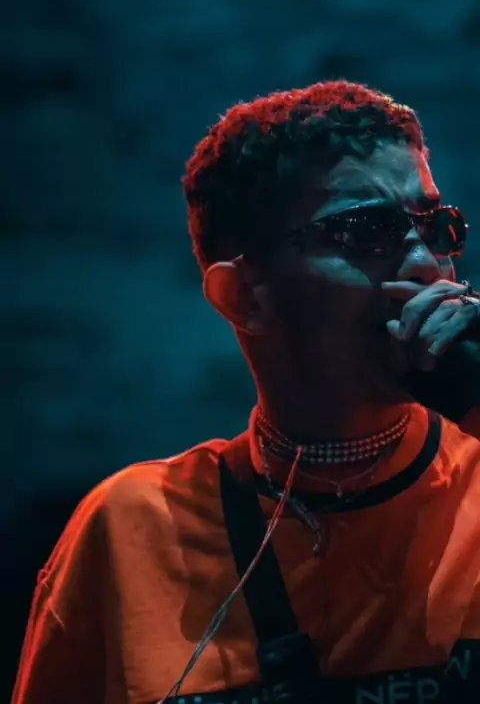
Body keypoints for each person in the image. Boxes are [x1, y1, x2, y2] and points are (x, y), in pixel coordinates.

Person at [13, 81, 480, 704]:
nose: (426, 265)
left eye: (437, 227)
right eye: (367, 230)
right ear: (243, 297)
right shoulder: (130, 529)